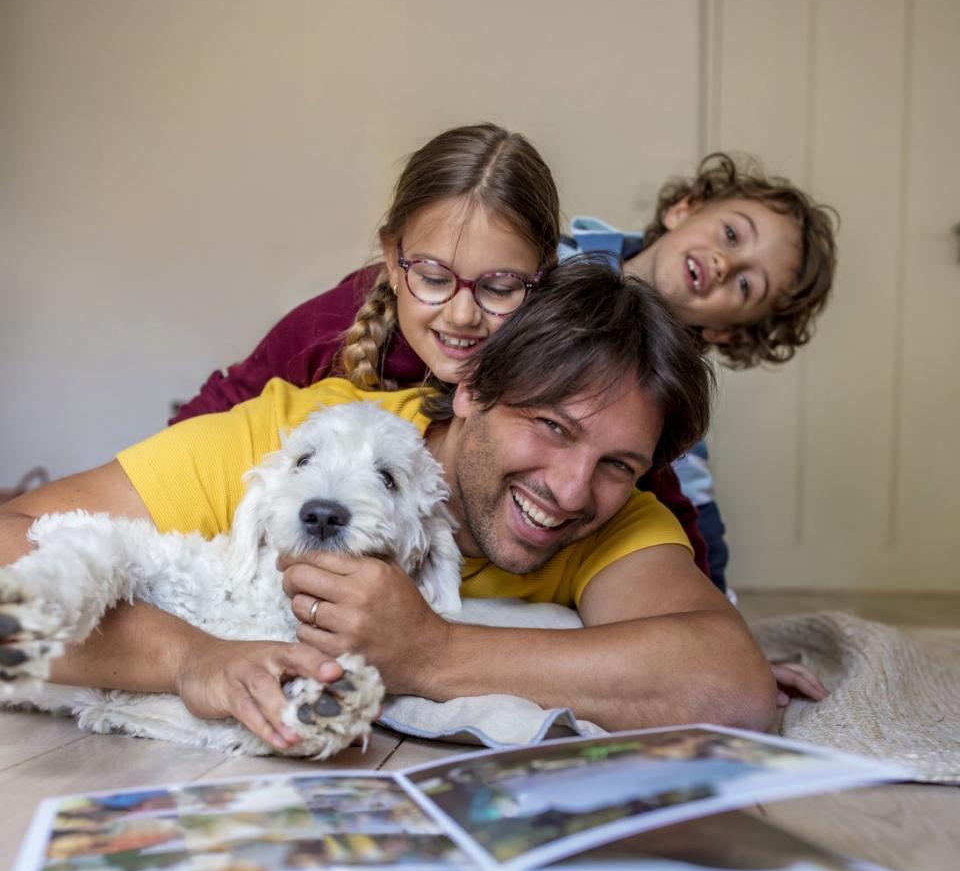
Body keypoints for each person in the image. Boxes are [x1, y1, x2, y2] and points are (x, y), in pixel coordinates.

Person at [0, 260, 777, 752]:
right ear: (471, 389)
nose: (571, 491)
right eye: (550, 427)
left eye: (616, 464)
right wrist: (189, 655)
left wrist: (431, 651)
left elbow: (731, 686)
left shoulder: (618, 517)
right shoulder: (293, 441)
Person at [172, 123, 710, 572]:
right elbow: (212, 422)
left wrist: (712, 608)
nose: (461, 315)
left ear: (543, 276)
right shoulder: (330, 325)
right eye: (432, 278)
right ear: (391, 256)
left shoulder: (564, 366)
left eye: (499, 287)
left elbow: (640, 470)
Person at [560, 153, 839, 595]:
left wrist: (721, 618)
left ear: (724, 331)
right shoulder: (550, 260)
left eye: (747, 285)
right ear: (683, 209)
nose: (727, 264)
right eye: (731, 234)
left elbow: (697, 516)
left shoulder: (673, 399)